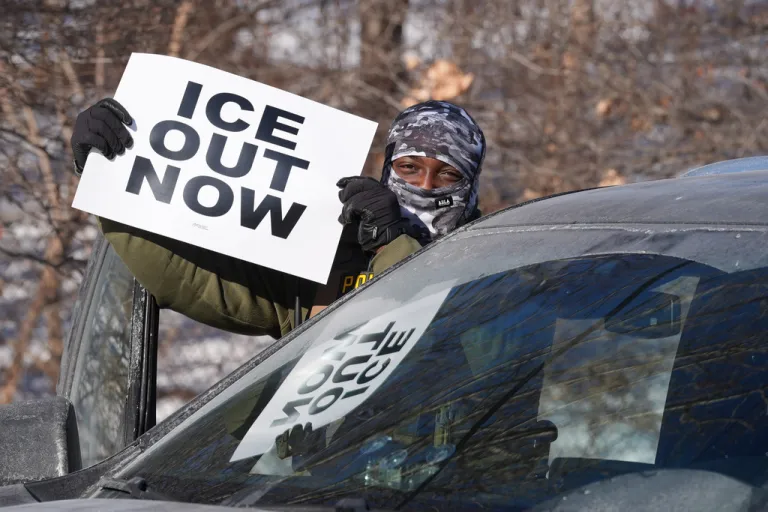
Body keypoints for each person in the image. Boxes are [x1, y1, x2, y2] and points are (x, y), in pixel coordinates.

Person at [70, 98, 486, 338]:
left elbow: (421, 342)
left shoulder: (496, 264)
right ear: (387, 168)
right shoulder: (329, 253)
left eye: (448, 173)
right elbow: (184, 279)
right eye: (410, 168)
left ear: (470, 182)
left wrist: (393, 245)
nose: (427, 186)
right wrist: (112, 172)